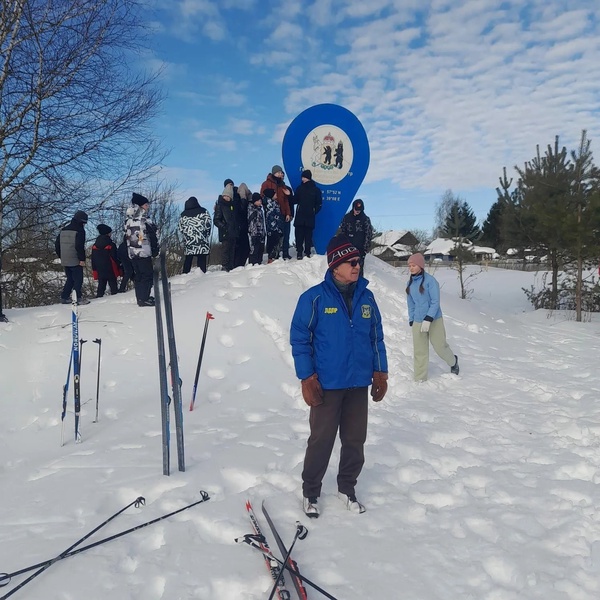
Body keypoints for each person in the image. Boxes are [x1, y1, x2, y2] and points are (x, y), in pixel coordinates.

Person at [290, 234, 388, 517]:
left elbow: (375, 337)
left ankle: (347, 487)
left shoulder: (367, 298)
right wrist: (307, 377)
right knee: (321, 439)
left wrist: (381, 372)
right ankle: (311, 492)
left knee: (355, 440)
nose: (357, 266)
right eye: (351, 262)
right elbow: (300, 338)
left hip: (358, 384)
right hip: (327, 385)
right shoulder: (314, 298)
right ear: (335, 266)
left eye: (359, 261)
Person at [406, 252, 459, 381]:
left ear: (421, 266)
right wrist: (412, 319)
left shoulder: (430, 281)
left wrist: (428, 318)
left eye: (413, 265)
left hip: (434, 319)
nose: (411, 268)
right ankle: (420, 378)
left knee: (440, 346)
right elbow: (411, 303)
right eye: (409, 266)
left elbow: (435, 301)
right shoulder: (410, 284)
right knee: (420, 350)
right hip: (418, 321)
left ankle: (453, 361)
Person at [125, 192, 159, 307]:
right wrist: (155, 249)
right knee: (147, 275)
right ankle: (144, 299)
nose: (147, 207)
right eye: (146, 205)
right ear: (140, 206)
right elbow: (152, 234)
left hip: (132, 252)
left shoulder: (128, 220)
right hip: (144, 251)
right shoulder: (144, 219)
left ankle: (140, 298)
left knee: (138, 276)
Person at [55, 210, 90, 305]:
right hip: (75, 259)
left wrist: (61, 256)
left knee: (70, 279)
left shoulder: (63, 230)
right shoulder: (80, 230)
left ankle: (64, 297)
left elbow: (57, 245)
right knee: (78, 279)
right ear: (82, 221)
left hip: (65, 259)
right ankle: (78, 298)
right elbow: (79, 246)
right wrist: (82, 259)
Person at [260, 165, 292, 259]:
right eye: (278, 172)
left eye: (281, 172)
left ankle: (277, 255)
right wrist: (270, 197)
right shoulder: (266, 183)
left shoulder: (283, 185)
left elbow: (286, 201)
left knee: (280, 235)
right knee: (272, 235)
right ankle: (271, 255)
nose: (280, 174)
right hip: (271, 214)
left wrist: (288, 213)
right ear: (274, 173)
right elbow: (262, 197)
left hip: (281, 213)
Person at [338, 199, 374, 275]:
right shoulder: (347, 218)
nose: (357, 211)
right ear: (353, 208)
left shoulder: (365, 219)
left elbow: (368, 234)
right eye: (356, 209)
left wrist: (365, 248)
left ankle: (359, 285)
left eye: (359, 210)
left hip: (360, 249)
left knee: (358, 271)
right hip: (348, 249)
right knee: (347, 270)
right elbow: (342, 232)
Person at [293, 169, 322, 260]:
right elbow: (295, 200)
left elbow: (319, 203)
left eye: (304, 177)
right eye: (302, 177)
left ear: (309, 178)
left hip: (309, 216)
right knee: (299, 235)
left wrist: (314, 211)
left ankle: (307, 252)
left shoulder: (316, 190)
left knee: (308, 236)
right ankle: (299, 252)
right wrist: (289, 195)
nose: (303, 179)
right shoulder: (299, 188)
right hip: (300, 216)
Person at [178, 196, 212, 274]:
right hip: (201, 240)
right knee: (201, 259)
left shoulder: (183, 214)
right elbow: (208, 225)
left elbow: (180, 228)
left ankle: (185, 274)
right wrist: (206, 235)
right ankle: (202, 275)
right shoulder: (204, 211)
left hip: (189, 241)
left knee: (188, 259)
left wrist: (186, 236)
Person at [213, 183, 239, 272]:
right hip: (225, 233)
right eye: (225, 196)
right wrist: (224, 227)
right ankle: (225, 267)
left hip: (233, 232)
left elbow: (234, 219)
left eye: (228, 196)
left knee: (232, 251)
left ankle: (231, 267)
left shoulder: (232, 206)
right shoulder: (220, 206)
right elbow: (216, 220)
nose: (227, 197)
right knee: (225, 251)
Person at [91, 224, 121, 297]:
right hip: (111, 269)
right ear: (108, 233)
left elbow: (93, 259)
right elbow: (115, 257)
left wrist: (94, 270)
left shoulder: (95, 245)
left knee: (101, 287)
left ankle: (98, 300)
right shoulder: (111, 244)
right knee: (113, 287)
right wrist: (119, 267)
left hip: (99, 269)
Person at [263, 188, 283, 264]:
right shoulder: (269, 204)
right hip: (272, 228)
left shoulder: (275, 203)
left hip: (277, 227)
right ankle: (271, 258)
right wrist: (274, 227)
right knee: (272, 242)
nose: (276, 195)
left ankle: (276, 256)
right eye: (275, 194)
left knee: (277, 242)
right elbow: (270, 217)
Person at [234, 183, 251, 268]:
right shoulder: (238, 200)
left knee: (244, 248)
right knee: (242, 248)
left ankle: (240, 265)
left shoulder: (245, 200)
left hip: (243, 227)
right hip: (240, 227)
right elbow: (241, 211)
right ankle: (238, 265)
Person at [247, 192, 266, 265]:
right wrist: (254, 232)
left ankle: (259, 262)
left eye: (260, 201)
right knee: (254, 248)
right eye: (258, 201)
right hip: (254, 233)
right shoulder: (251, 209)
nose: (260, 202)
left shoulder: (260, 210)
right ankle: (253, 263)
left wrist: (263, 233)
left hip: (261, 233)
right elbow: (251, 222)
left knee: (261, 249)